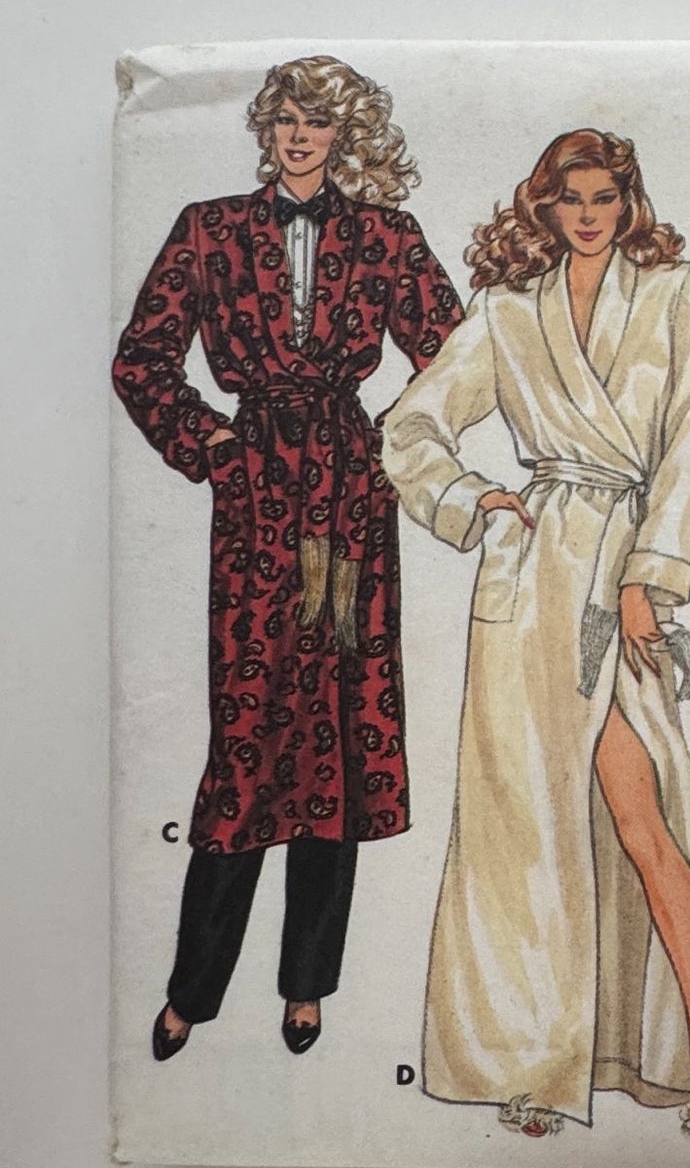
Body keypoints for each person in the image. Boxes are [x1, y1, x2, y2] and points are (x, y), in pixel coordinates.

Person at [383, 129, 690, 1146]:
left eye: (605, 197)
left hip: (625, 568)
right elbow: (408, 427)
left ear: (629, 201)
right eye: (570, 199)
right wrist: (474, 500)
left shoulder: (680, 292)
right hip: (531, 579)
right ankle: (540, 1060)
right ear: (543, 207)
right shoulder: (507, 311)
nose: (588, 215)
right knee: (528, 830)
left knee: (645, 815)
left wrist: (648, 579)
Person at [113, 55, 463, 1063]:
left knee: (342, 741)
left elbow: (458, 355)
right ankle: (191, 990)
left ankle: (307, 985)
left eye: (319, 121)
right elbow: (141, 359)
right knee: (248, 735)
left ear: (344, 134)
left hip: (352, 497)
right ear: (266, 129)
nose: (300, 136)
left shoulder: (387, 234)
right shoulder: (208, 227)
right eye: (286, 119)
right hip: (258, 495)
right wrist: (213, 445)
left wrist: (393, 444)